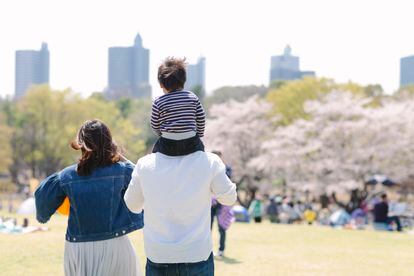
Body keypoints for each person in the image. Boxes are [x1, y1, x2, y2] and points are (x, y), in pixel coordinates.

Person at [35, 120, 144, 276]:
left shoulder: (66, 176)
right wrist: (121, 157)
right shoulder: (122, 170)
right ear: (109, 142)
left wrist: (42, 216)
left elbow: (42, 199)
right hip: (114, 244)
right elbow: (143, 179)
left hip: (78, 247)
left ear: (81, 143)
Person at [124, 148, 237, 275]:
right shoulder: (210, 161)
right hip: (197, 253)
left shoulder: (144, 164)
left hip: (160, 254)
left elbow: (133, 205)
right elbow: (229, 198)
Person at [151, 57, 205, 156]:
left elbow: (155, 125)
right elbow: (201, 118)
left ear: (161, 84)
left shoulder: (158, 101)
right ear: (183, 81)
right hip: (191, 141)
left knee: (155, 153)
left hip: (168, 143)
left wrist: (162, 134)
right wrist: (199, 135)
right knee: (201, 150)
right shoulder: (192, 97)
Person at [210, 151, 235, 257]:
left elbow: (227, 181)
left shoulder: (226, 168)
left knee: (222, 227)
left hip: (222, 203)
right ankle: (208, 250)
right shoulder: (207, 168)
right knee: (207, 227)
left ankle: (221, 249)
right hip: (209, 202)